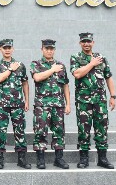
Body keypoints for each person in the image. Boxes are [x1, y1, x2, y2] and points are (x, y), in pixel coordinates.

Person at [70, 32, 116, 169]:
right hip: (83, 102)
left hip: (100, 101)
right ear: (80, 43)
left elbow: (108, 77)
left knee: (102, 128)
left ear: (93, 43)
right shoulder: (76, 57)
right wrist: (92, 63)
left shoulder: (101, 58)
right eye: (84, 41)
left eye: (88, 41)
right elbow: (77, 74)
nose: (86, 44)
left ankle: (102, 158)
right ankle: (84, 158)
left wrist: (113, 96)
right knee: (83, 129)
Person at [30, 39, 70, 169]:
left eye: (51, 49)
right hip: (42, 105)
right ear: (42, 49)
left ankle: (59, 159)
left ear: (54, 50)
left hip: (58, 105)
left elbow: (65, 85)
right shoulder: (36, 64)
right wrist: (52, 70)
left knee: (59, 131)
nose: (49, 51)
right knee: (40, 131)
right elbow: (37, 77)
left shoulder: (61, 65)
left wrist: (68, 104)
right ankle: (41, 159)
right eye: (46, 48)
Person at [0, 38, 30, 170]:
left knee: (20, 131)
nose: (7, 50)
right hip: (2, 104)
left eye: (9, 48)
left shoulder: (21, 65)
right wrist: (10, 69)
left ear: (13, 49)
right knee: (0, 131)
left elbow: (25, 83)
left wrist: (27, 100)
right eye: (5, 48)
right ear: (0, 49)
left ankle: (21, 158)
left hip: (18, 104)